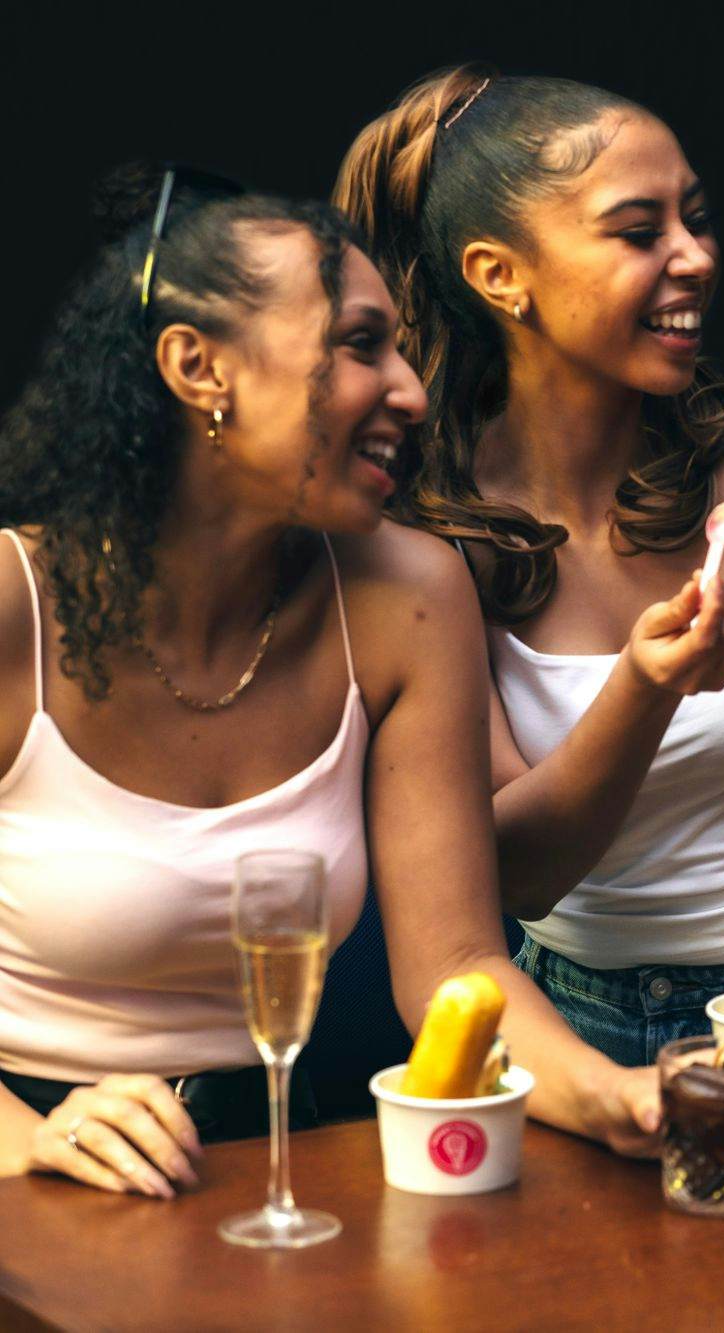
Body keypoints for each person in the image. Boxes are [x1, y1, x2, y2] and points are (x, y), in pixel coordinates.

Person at [0, 167, 668, 1197]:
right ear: (197, 367)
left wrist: (617, 1096)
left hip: (276, 1160)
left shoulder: (406, 593)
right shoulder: (14, 601)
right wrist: (30, 1143)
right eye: (362, 345)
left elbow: (458, 964)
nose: (409, 389)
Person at [335, 67, 724, 1062]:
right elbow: (518, 872)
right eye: (639, 231)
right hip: (574, 1035)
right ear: (502, 276)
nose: (696, 256)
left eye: (697, 219)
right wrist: (646, 685)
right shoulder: (423, 545)